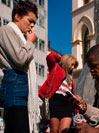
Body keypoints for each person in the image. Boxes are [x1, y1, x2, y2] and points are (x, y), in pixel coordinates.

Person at [0, 1, 38, 133]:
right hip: (13, 84)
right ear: (17, 16)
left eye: (34, 22)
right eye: (30, 20)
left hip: (20, 84)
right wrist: (30, 42)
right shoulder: (5, 30)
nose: (32, 25)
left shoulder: (19, 36)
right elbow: (20, 59)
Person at [39, 53, 79, 133]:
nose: (73, 67)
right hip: (55, 102)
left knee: (64, 130)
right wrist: (60, 58)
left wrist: (76, 110)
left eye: (74, 65)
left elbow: (72, 93)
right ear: (66, 62)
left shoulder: (71, 78)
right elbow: (50, 57)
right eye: (72, 64)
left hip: (67, 104)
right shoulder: (55, 68)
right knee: (54, 130)